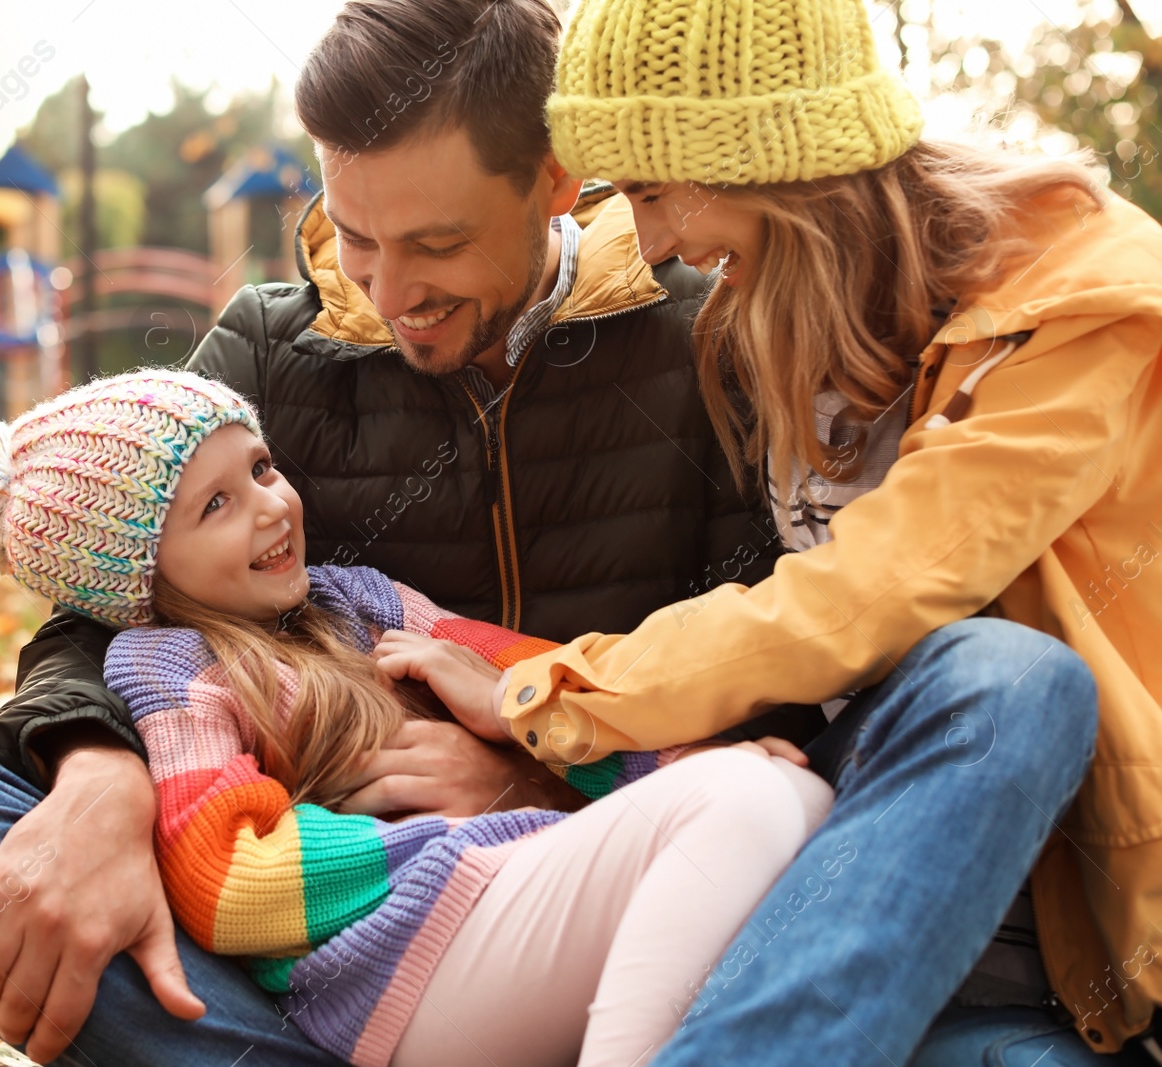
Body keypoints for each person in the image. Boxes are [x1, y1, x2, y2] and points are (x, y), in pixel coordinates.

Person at [0, 1, 803, 1064]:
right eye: (356, 235)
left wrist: (535, 774)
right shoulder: (269, 350)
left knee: (804, 793)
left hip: (627, 858)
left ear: (556, 181)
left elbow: (770, 662)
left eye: (436, 244)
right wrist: (100, 773)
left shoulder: (707, 337)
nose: (387, 292)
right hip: (344, 924)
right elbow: (107, 600)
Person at [386, 0, 1162, 1062]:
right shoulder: (761, 312)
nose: (653, 242)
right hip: (811, 870)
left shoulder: (1080, 306)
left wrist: (556, 690)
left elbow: (873, 590)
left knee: (1009, 677)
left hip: (1031, 933)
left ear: (771, 164)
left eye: (655, 194)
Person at [0, 369, 832, 1067]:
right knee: (739, 808)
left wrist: (673, 758)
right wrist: (454, 831)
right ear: (142, 578)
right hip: (395, 963)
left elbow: (533, 682)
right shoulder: (169, 664)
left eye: (262, 467)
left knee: (789, 794)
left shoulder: (364, 599)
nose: (270, 506)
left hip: (499, 899)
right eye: (216, 505)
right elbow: (232, 883)